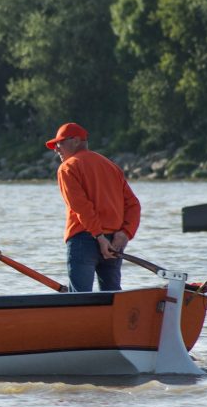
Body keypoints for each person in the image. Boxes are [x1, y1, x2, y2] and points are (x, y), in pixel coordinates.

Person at [45, 122, 141, 292]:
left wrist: (99, 237)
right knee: (112, 299)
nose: (56, 149)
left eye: (59, 143)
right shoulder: (111, 166)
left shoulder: (67, 167)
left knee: (79, 301)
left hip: (84, 239)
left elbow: (82, 207)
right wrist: (125, 234)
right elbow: (133, 205)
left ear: (75, 141)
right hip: (114, 242)